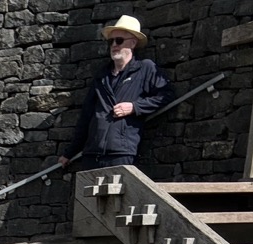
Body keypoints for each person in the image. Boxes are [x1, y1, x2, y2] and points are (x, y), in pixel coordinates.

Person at [58, 15, 174, 170]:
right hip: (91, 155)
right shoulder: (101, 76)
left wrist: (134, 107)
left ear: (133, 43)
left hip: (121, 153)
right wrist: (70, 152)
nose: (114, 45)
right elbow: (86, 117)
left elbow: (166, 95)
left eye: (119, 40)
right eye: (110, 41)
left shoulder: (145, 68)